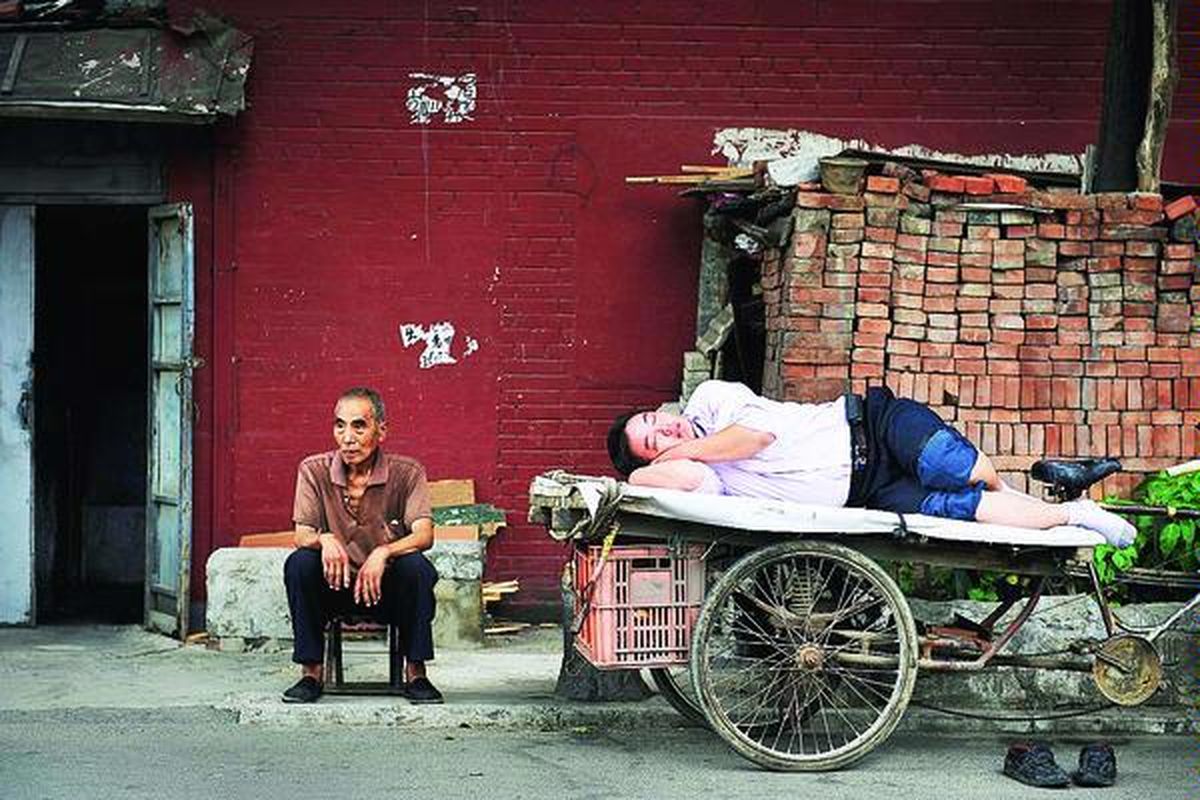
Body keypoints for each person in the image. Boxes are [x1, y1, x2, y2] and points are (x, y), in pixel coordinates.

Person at [606, 380, 1136, 546]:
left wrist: (680, 444)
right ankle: (1075, 514)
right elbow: (656, 480)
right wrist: (642, 470)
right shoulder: (699, 474)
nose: (665, 433)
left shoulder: (709, 401)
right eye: (652, 442)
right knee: (968, 511)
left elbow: (757, 437)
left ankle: (1054, 505)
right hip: (869, 492)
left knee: (962, 472)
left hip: (877, 428)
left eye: (656, 421)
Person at [282, 387, 442, 704]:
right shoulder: (313, 470)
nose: (347, 437)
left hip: (387, 591)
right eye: (340, 425)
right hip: (334, 587)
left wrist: (383, 552)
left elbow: (424, 535)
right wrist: (324, 538)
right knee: (299, 563)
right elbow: (301, 534)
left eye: (359, 425)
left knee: (417, 568)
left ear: (382, 430)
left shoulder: (407, 473)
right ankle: (310, 673)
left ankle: (417, 674)